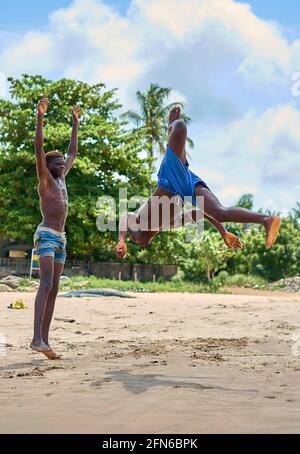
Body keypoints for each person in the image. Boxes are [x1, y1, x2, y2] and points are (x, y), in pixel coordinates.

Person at [116, 106, 280, 258]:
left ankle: (172, 124)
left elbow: (125, 216)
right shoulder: (169, 224)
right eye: (133, 241)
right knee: (220, 213)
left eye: (132, 239)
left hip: (169, 179)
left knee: (180, 127)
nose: (136, 242)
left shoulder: (140, 220)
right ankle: (266, 220)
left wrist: (121, 240)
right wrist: (223, 232)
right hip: (187, 187)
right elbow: (201, 214)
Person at [30, 97, 80, 359]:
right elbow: (39, 149)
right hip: (46, 235)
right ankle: (36, 338)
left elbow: (73, 151)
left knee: (56, 287)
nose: (63, 165)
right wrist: (40, 116)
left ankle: (44, 342)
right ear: (48, 167)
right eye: (58, 164)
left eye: (63, 164)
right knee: (46, 283)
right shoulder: (46, 180)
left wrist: (75, 122)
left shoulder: (62, 179)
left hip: (61, 238)